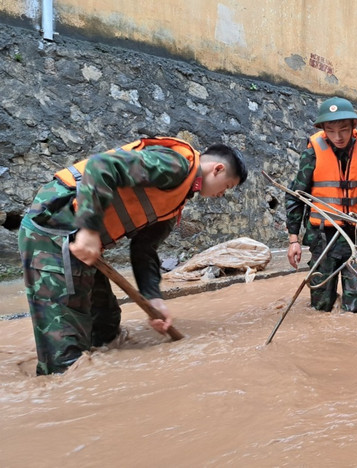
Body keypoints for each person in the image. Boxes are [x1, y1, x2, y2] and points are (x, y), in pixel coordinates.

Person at [18, 137, 248, 375]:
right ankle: (59, 387)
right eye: (227, 186)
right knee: (65, 358)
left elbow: (144, 249)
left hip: (82, 245)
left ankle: (102, 378)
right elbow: (101, 167)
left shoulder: (175, 202)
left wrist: (154, 299)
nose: (222, 194)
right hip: (53, 230)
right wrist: (89, 230)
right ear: (217, 169)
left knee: (105, 324)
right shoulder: (175, 165)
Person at [284, 97, 357, 313]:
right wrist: (293, 240)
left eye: (343, 129)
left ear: (354, 126)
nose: (338, 136)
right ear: (323, 129)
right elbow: (296, 196)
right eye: (331, 130)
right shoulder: (312, 152)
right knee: (320, 305)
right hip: (323, 238)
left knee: (354, 304)